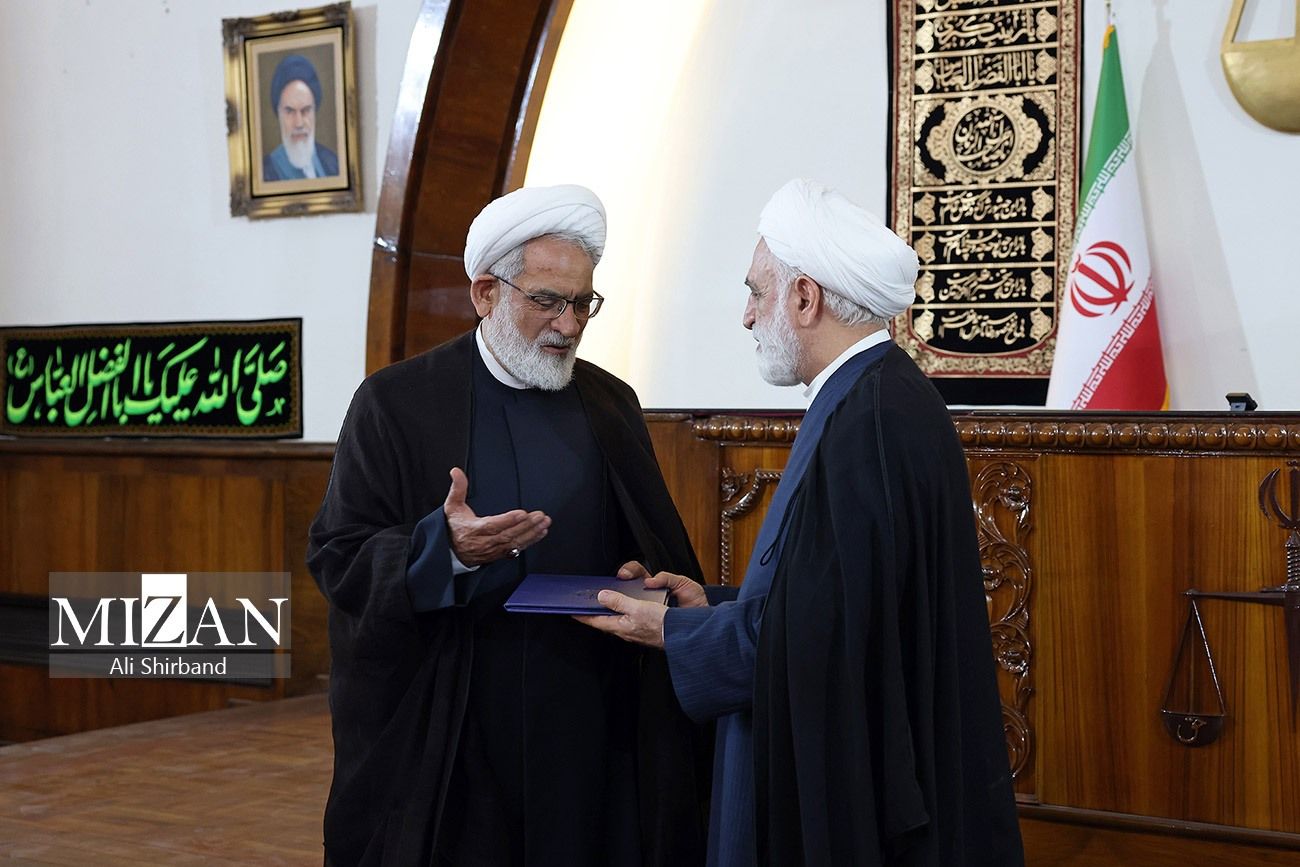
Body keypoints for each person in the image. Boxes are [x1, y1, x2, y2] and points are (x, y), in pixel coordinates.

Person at [579, 178, 1024, 866]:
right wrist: (712, 603)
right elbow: (832, 596)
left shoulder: (865, 420)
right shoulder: (877, 395)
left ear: (805, 298)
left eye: (757, 291)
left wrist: (669, 628)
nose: (748, 316)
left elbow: (819, 638)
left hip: (853, 794)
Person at [307, 184, 708, 866]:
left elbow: (648, 544)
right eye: (547, 300)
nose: (570, 324)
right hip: (457, 722)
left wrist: (640, 574)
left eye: (583, 302)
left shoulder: (611, 403)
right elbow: (339, 555)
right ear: (485, 293)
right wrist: (447, 549)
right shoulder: (396, 404)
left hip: (587, 716)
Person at [263, 54, 339, 181]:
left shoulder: (333, 163)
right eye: (289, 111)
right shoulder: (265, 172)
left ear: (315, 111)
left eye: (306, 110)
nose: (298, 123)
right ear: (279, 114)